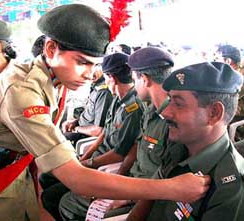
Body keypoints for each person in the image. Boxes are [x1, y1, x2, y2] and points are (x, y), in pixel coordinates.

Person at [0, 4, 210, 221]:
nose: (90, 74)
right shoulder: (21, 92)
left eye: (95, 65)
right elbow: (76, 179)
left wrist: (38, 203)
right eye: (82, 62)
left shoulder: (52, 79)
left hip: (13, 174)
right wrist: (172, 188)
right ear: (51, 48)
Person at [58, 46, 176, 220]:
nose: (133, 85)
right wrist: (116, 181)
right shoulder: (150, 111)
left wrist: (125, 195)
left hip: (146, 196)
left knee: (68, 203)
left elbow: (165, 178)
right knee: (69, 197)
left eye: (134, 79)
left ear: (144, 79)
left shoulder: (172, 122)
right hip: (131, 182)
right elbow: (135, 147)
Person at [127, 62, 244, 221]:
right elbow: (149, 199)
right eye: (170, 100)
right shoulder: (179, 146)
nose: (166, 112)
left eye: (178, 104)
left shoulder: (231, 189)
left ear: (214, 113)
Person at [40, 63, 113, 220]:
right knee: (46, 177)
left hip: (95, 149)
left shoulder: (105, 93)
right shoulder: (95, 88)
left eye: (95, 67)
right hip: (92, 146)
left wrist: (76, 131)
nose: (89, 73)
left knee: (52, 195)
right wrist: (76, 122)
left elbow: (99, 131)